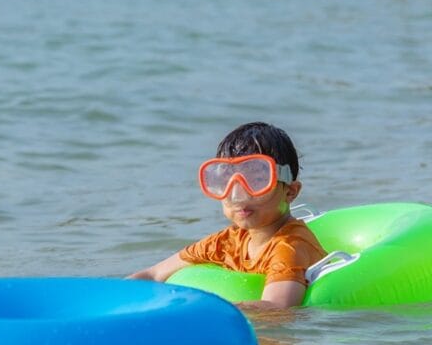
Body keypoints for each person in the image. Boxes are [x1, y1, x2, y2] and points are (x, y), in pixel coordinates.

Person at [128, 122, 325, 310]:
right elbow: (153, 275)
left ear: (290, 192)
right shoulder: (228, 242)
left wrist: (201, 309)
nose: (238, 195)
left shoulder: (289, 247)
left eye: (257, 180)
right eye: (226, 181)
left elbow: (278, 308)